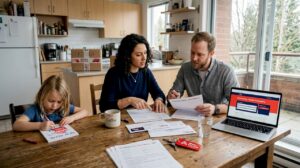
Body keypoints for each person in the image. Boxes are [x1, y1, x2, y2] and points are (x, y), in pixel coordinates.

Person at [167, 32, 239, 116]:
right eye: (192, 52)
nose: (194, 58)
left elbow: (237, 104)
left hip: (217, 119)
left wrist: (215, 109)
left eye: (199, 54)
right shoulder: (185, 68)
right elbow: (174, 92)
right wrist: (172, 96)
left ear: (211, 53)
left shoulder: (226, 71)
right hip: (193, 119)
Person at [100, 34, 166, 113]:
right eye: (138, 55)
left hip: (140, 117)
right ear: (127, 56)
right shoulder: (114, 74)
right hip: (120, 119)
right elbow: (104, 106)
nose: (144, 58)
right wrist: (129, 100)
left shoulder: (146, 72)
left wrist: (159, 100)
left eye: (145, 53)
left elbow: (159, 93)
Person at [13, 75, 90, 131]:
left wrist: (72, 118)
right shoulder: (34, 110)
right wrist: (39, 125)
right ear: (41, 96)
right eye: (51, 101)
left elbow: (85, 111)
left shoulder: (63, 107)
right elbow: (16, 125)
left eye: (59, 102)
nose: (54, 106)